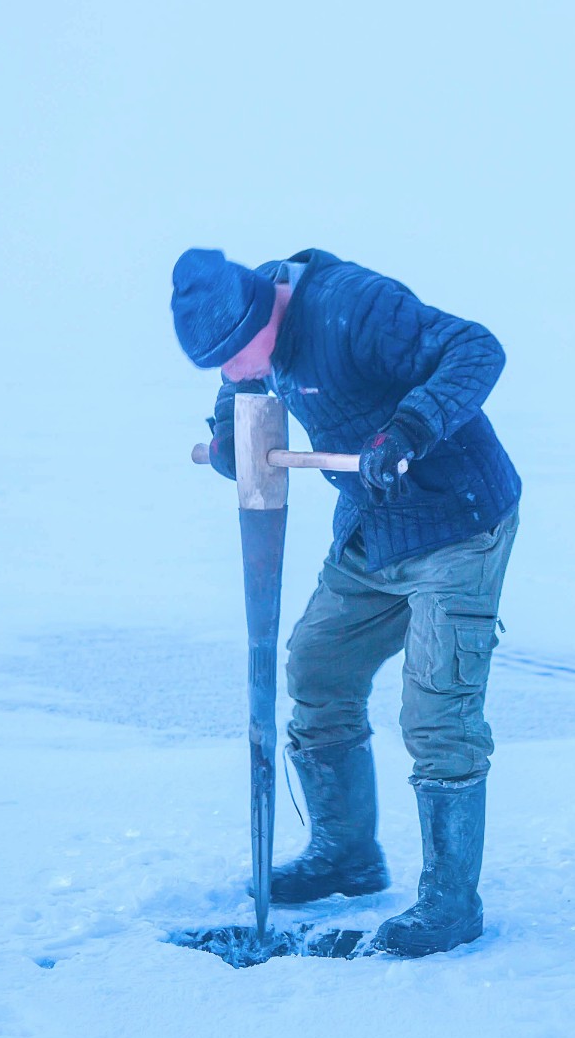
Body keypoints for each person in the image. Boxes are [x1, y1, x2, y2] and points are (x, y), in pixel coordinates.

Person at [171, 248, 521, 957]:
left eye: (235, 355)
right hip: (373, 528)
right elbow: (242, 391)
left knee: (437, 707)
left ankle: (452, 903)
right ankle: (346, 853)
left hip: (457, 521)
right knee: (317, 667)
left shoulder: (355, 307)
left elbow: (477, 348)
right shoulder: (248, 329)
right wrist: (229, 438)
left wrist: (411, 431)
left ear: (259, 310)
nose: (234, 372)